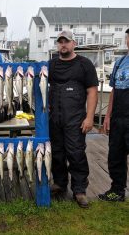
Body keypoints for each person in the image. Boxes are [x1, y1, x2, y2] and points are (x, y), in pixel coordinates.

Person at [48, 30, 98, 208]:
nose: (63, 45)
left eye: (66, 42)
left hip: (76, 120)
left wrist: (90, 117)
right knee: (57, 154)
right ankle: (60, 184)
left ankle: (79, 190)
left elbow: (92, 91)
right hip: (55, 119)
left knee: (76, 154)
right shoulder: (51, 65)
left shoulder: (84, 64)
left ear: (74, 43)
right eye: (60, 42)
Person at [98, 29, 129, 202]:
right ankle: (117, 190)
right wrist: (108, 116)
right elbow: (113, 91)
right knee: (115, 156)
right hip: (118, 117)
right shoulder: (119, 62)